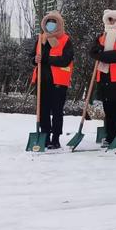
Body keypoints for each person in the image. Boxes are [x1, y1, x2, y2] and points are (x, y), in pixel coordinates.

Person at [89, 9, 116, 147]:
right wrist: (102, 54)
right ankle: (110, 135)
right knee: (108, 108)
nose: (112, 22)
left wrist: (102, 55)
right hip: (105, 76)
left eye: (115, 19)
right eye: (110, 19)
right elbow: (92, 51)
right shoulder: (103, 35)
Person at [32, 11, 74, 149]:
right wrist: (35, 59)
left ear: (59, 24)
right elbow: (33, 56)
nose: (50, 24)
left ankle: (55, 138)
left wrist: (46, 59)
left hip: (58, 83)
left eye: (54, 22)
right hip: (42, 81)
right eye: (48, 21)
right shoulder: (40, 38)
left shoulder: (65, 40)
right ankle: (45, 136)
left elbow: (66, 60)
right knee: (43, 110)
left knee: (56, 111)